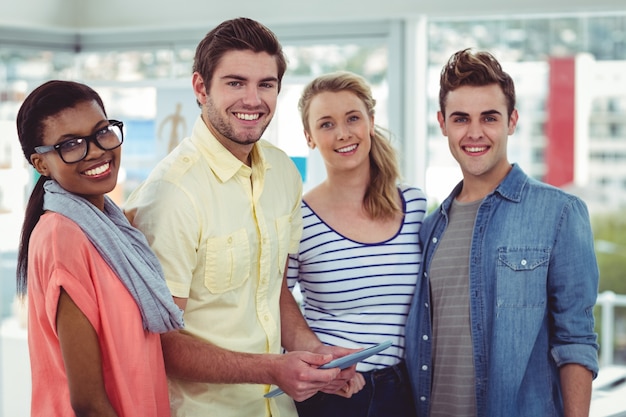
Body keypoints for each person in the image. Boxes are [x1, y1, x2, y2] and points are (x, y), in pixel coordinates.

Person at [124, 17, 356, 417]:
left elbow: (272, 290)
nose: (253, 100)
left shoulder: (283, 173)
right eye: (235, 83)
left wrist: (317, 355)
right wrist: (270, 368)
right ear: (201, 88)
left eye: (266, 84)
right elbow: (158, 340)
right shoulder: (172, 195)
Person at [405, 48, 600, 417]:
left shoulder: (560, 213)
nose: (474, 133)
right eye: (461, 119)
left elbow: (576, 339)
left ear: (512, 121)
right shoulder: (430, 228)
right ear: (442, 123)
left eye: (489, 118)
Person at [15, 80, 184, 417]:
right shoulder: (62, 236)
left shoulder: (109, 226)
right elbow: (89, 404)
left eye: (101, 132)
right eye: (70, 145)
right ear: (41, 164)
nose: (95, 151)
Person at [287, 71, 427, 417]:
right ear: (309, 137)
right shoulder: (297, 218)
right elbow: (272, 297)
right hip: (332, 391)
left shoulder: (414, 205)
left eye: (353, 118)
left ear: (371, 122)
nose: (343, 133)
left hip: (406, 388)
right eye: (326, 124)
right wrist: (318, 354)